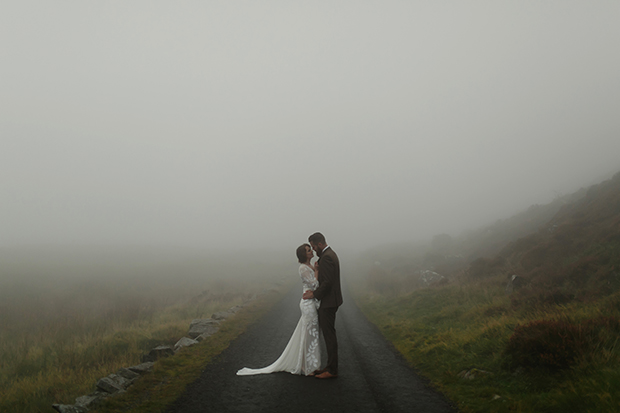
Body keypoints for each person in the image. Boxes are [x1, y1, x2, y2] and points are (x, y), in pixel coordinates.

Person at [236, 244, 321, 376]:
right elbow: (314, 285)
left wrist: (315, 270)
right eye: (309, 250)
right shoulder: (303, 268)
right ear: (304, 255)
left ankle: (311, 364)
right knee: (309, 334)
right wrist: (317, 271)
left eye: (310, 250)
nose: (311, 252)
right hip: (308, 304)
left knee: (312, 333)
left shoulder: (310, 266)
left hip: (312, 302)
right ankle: (304, 366)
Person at [302, 232, 342, 379]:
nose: (313, 250)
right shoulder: (329, 255)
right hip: (331, 301)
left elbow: (327, 283)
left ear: (319, 244)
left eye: (313, 246)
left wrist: (314, 294)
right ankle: (330, 366)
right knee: (329, 334)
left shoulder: (327, 258)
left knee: (329, 336)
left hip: (329, 302)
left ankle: (332, 370)